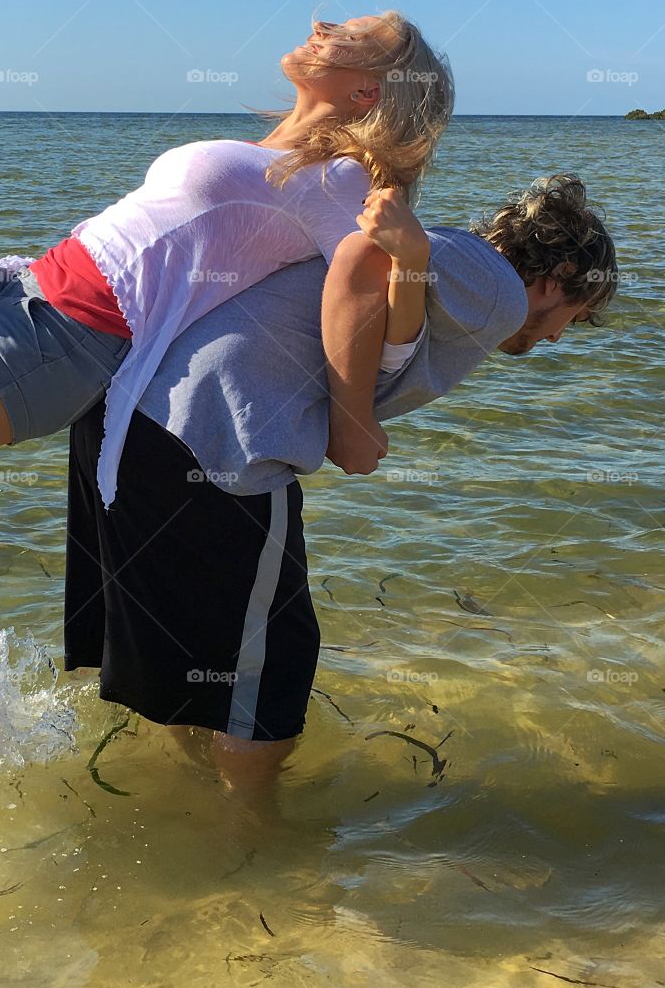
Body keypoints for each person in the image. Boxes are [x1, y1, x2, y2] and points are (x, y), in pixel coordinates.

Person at [0, 11, 452, 732]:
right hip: (20, 287)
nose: (321, 22)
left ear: (369, 92)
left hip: (65, 341)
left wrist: (407, 271)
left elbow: (375, 308)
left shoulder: (341, 181)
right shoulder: (272, 152)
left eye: (355, 32)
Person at [62, 175, 619, 800]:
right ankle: (254, 831)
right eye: (577, 315)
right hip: (217, 433)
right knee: (273, 673)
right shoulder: (494, 283)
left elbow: (379, 282)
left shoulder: (455, 272)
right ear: (559, 275)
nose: (559, 335)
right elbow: (362, 255)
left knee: (190, 652)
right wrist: (353, 421)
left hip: (128, 421)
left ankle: (190, 808)